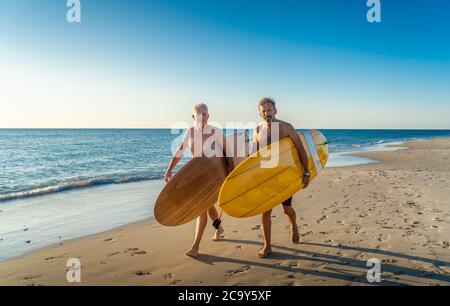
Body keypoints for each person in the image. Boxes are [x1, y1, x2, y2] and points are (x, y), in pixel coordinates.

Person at [164, 103, 233, 258]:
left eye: (204, 114)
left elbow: (228, 152)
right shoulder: (190, 132)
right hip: (197, 176)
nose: (201, 117)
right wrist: (169, 169)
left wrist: (231, 174)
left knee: (201, 208)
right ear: (193, 117)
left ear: (208, 116)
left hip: (214, 176)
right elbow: (180, 151)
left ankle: (195, 247)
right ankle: (219, 228)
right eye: (198, 114)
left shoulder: (215, 132)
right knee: (208, 206)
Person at [251, 97, 311, 258]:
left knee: (286, 209)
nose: (266, 113)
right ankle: (267, 245)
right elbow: (256, 158)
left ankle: (294, 226)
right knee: (265, 212)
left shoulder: (286, 127)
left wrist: (306, 172)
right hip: (266, 177)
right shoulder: (257, 130)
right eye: (263, 111)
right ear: (260, 113)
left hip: (284, 175)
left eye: (269, 110)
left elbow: (300, 149)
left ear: (275, 111)